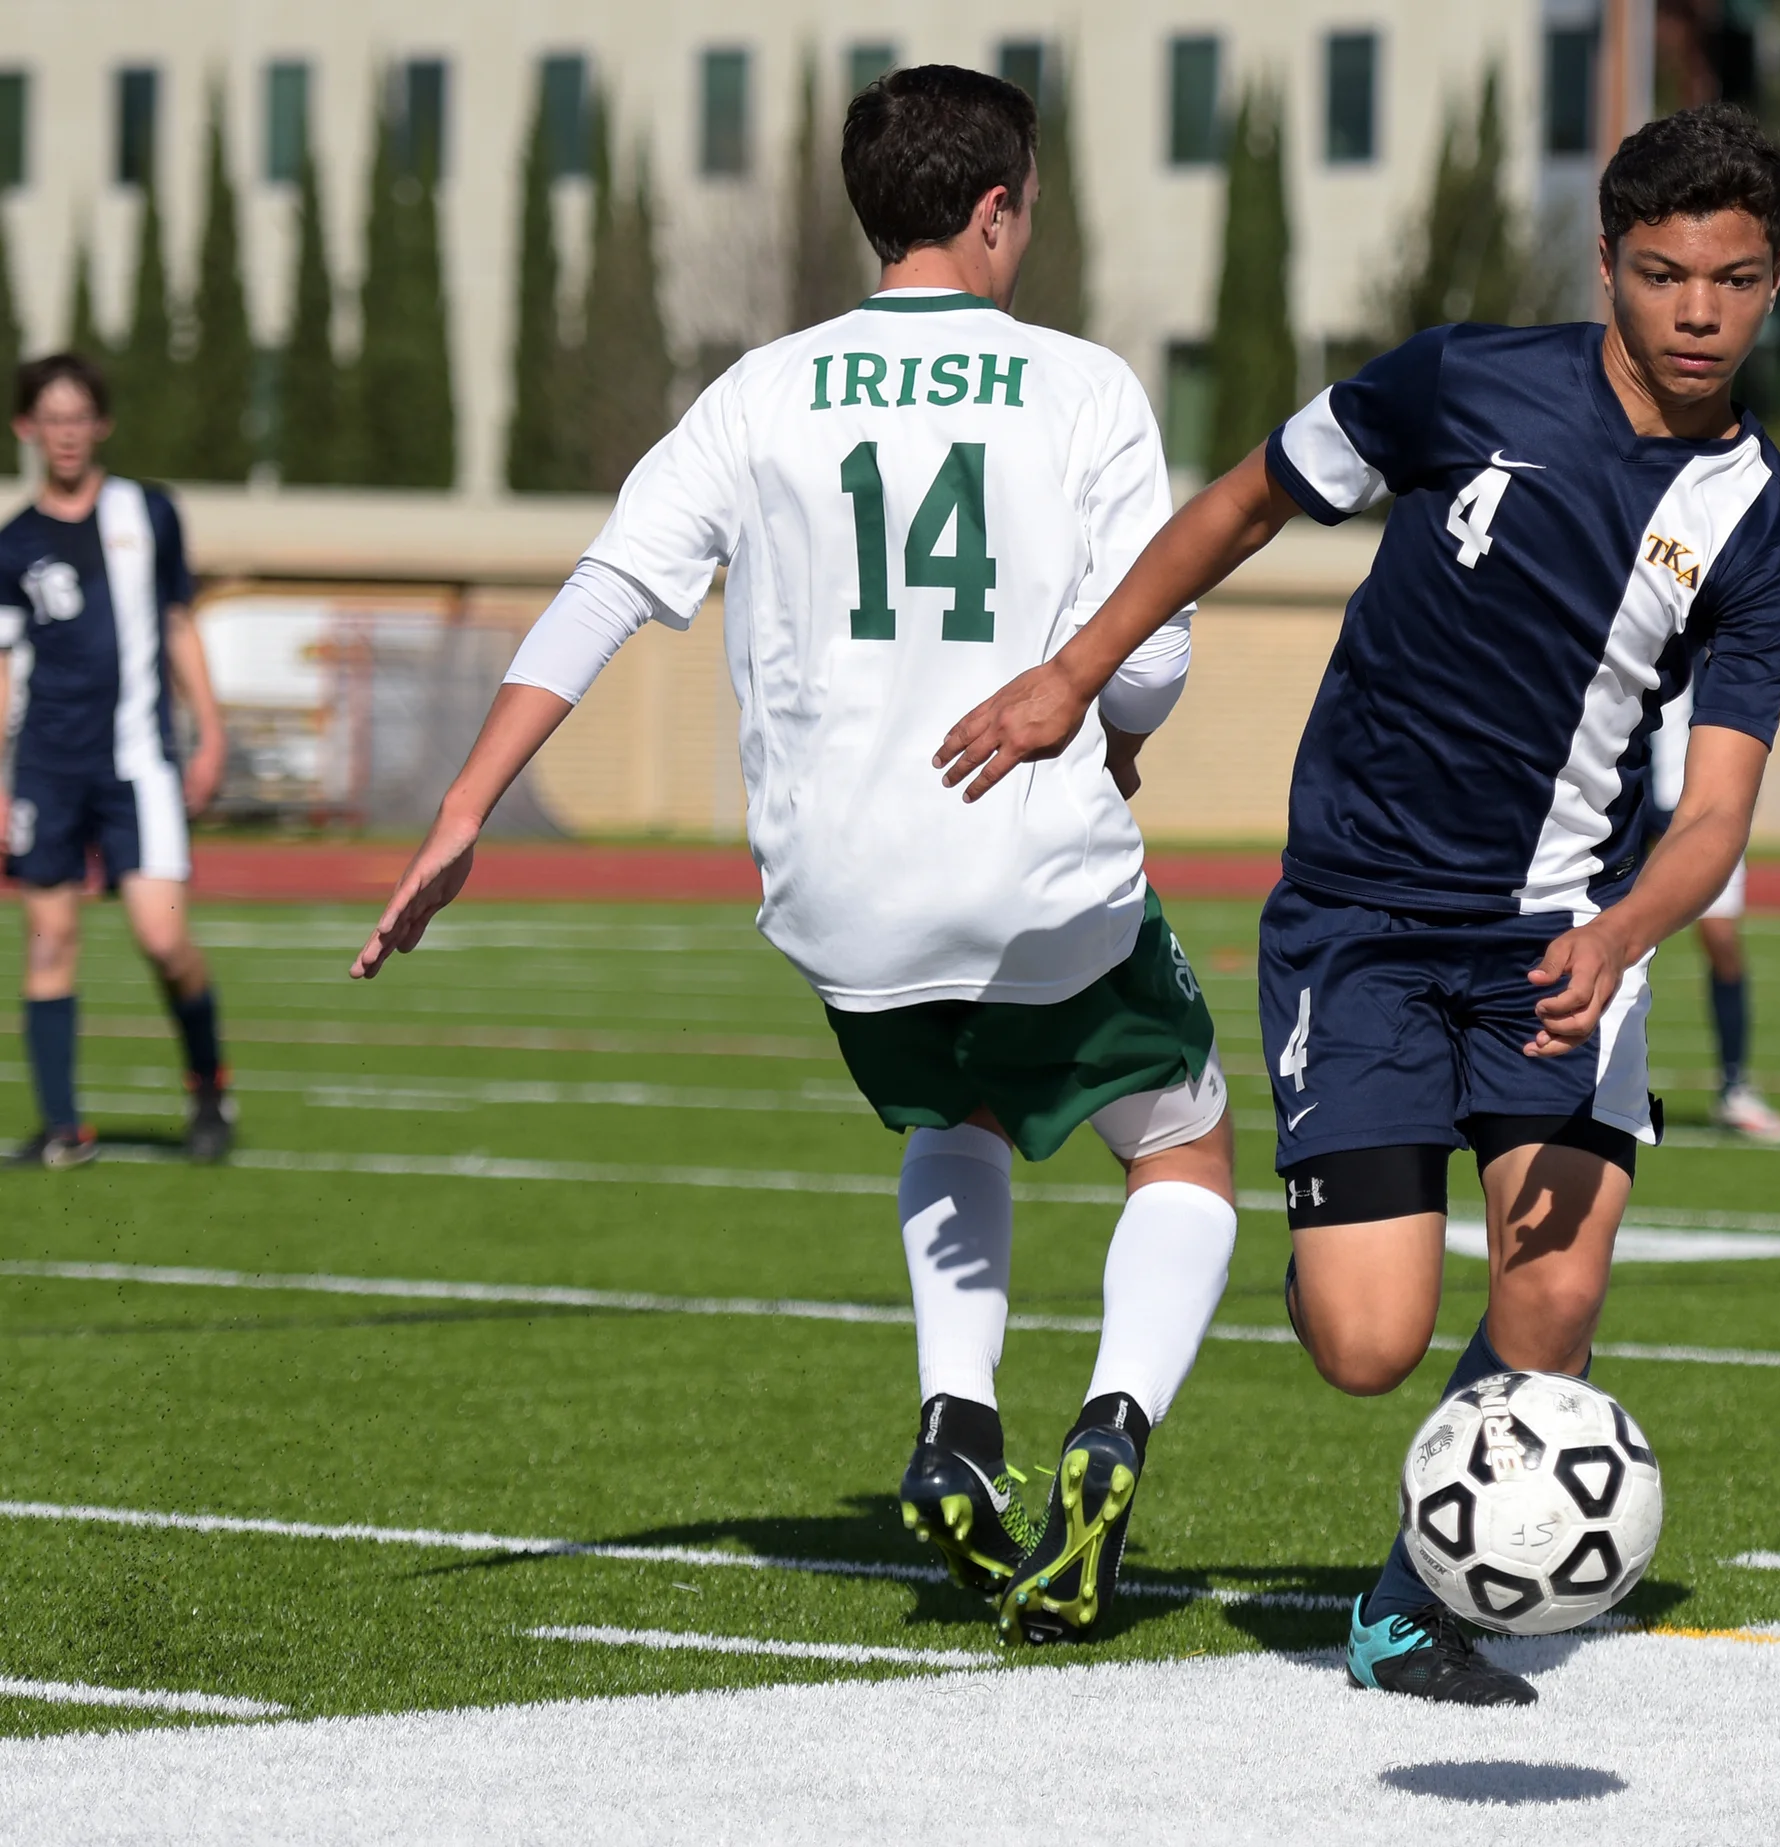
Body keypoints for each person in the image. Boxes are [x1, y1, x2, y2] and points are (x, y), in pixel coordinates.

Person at [936, 103, 1780, 1702]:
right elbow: (1241, 503)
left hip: (1563, 934)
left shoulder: (1766, 523)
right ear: (1607, 263)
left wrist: (1622, 933)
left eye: (1737, 280)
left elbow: (1715, 816)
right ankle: (1352, 1215)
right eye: (1664, 273)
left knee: (1555, 1291)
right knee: (1366, 1342)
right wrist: (1076, 673)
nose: (1700, 312)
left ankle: (1411, 1598)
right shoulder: (1459, 381)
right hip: (1362, 921)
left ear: (1776, 280)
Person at [348, 67, 1236, 1646]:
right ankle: (1110, 1428)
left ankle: (958, 1420)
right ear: (996, 210)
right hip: (1035, 867)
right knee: (1183, 1147)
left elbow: (608, 587)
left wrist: (466, 803)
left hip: (841, 893)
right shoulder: (1086, 385)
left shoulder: (759, 391)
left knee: (950, 1106)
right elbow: (1152, 654)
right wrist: (1117, 733)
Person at [1, 353, 232, 1168]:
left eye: (78, 417)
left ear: (100, 424)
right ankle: (63, 1128)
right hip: (46, 768)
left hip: (139, 763)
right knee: (48, 940)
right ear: (27, 428)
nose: (65, 433)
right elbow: (4, 665)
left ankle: (209, 1086)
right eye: (50, 419)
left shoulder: (150, 512)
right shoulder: (14, 543)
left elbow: (178, 624)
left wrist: (210, 731)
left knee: (162, 938)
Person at [1651, 681, 1780, 1143]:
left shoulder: (1715, 662)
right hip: (1628, 813)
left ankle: (1734, 1087)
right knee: (1592, 936)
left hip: (1702, 817)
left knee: (1723, 944)